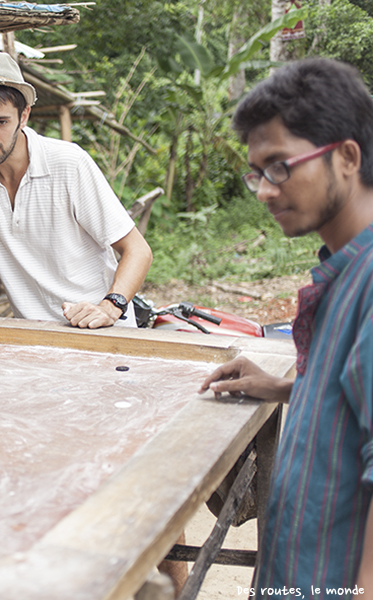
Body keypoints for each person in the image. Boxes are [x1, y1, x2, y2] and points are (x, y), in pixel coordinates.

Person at [199, 58, 373, 593]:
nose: (264, 190)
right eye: (257, 172)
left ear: (346, 157)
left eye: (280, 166)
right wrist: (283, 386)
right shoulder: (344, 268)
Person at [0, 52, 153, 359]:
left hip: (103, 334)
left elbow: (138, 250)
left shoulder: (68, 163)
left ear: (24, 116)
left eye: (2, 122)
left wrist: (110, 306)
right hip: (33, 340)